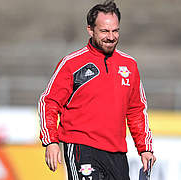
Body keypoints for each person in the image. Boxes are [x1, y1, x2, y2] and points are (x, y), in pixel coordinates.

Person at [38, 1, 156, 179]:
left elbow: (136, 111)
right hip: (81, 147)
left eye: (115, 31)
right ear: (90, 30)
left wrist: (145, 148)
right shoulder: (71, 64)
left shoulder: (129, 65)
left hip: (116, 153)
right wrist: (51, 141)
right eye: (104, 31)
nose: (111, 36)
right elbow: (49, 103)